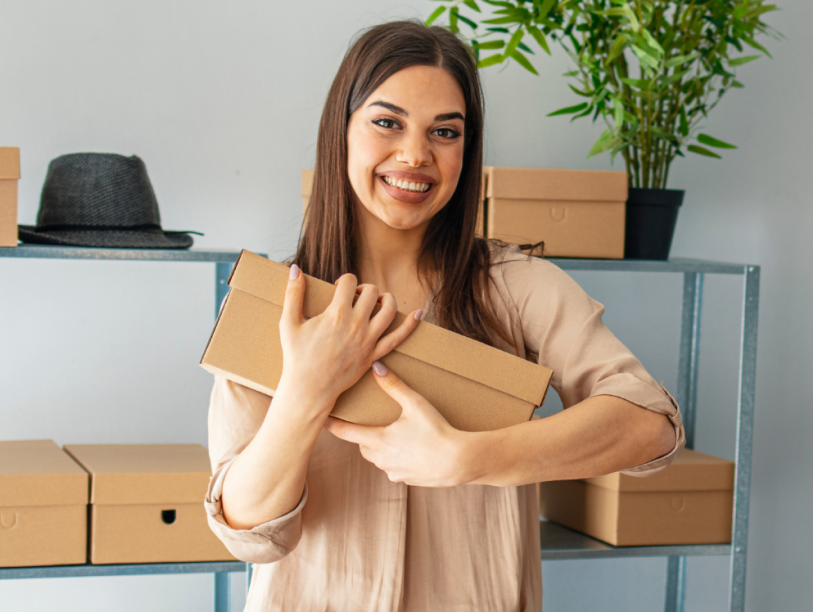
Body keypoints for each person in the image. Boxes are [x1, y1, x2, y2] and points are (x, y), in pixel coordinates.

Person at [205, 20, 684, 612]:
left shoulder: (517, 288)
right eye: (387, 122)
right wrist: (306, 389)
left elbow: (652, 424)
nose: (415, 154)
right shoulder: (279, 306)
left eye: (445, 132)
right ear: (342, 132)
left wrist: (470, 457)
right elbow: (247, 532)